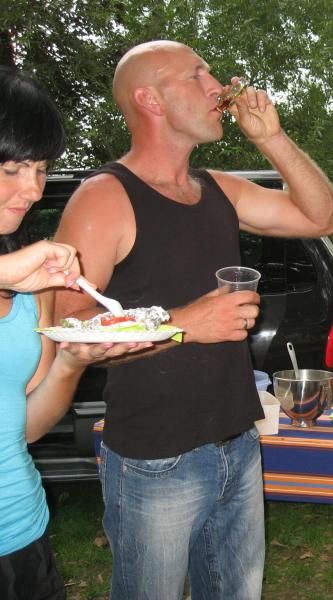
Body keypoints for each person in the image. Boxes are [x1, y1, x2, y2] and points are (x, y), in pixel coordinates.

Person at [53, 40, 333, 599]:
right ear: (151, 99)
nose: (218, 86)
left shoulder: (219, 189)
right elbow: (72, 330)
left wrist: (272, 138)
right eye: (197, 75)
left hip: (238, 443)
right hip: (154, 458)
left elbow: (325, 217)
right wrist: (184, 323)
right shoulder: (105, 198)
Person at [0, 66, 150, 600]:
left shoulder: (31, 283)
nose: (33, 189)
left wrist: (71, 361)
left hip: (20, 533)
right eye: (13, 168)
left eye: (41, 169)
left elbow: (27, 427)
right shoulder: (17, 269)